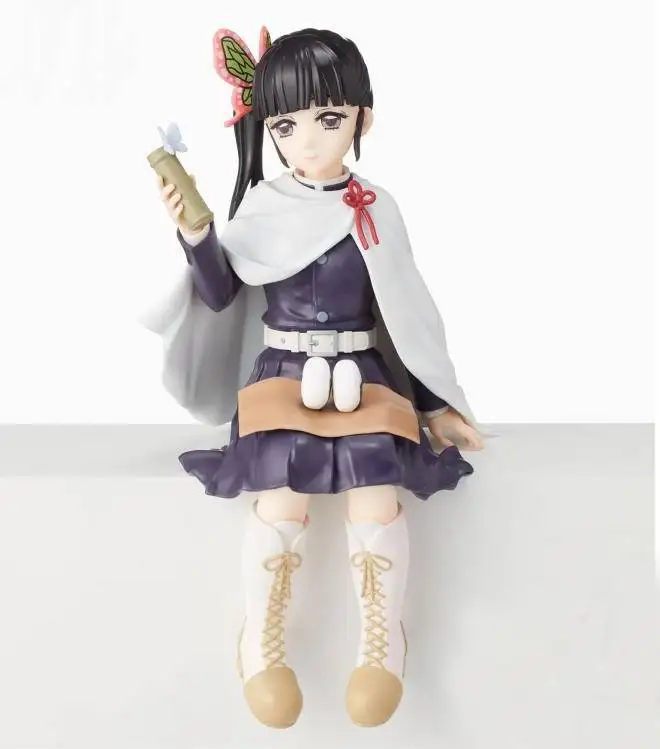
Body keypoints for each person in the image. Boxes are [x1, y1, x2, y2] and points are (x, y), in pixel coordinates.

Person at [146, 26, 483, 729]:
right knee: (280, 499)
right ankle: (261, 639)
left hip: (364, 372)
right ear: (267, 128)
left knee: (376, 495)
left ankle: (382, 641)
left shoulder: (376, 207)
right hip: (283, 373)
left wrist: (436, 402)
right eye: (285, 124)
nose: (306, 139)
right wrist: (197, 235)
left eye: (328, 118)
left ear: (362, 117)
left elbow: (406, 311)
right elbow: (221, 292)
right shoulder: (266, 206)